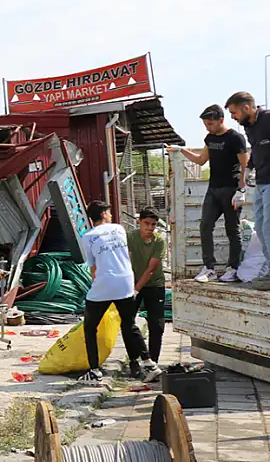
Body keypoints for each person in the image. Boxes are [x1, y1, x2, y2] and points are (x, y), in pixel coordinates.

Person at [168, 104, 248, 282]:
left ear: (221, 120)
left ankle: (233, 268)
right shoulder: (209, 138)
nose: (208, 127)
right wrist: (181, 149)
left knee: (232, 230)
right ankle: (209, 268)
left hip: (231, 189)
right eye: (205, 124)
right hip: (213, 189)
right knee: (205, 226)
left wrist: (242, 190)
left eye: (210, 124)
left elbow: (245, 165)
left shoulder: (236, 138)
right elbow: (201, 160)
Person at [81, 201, 158, 383]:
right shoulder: (119, 229)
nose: (111, 215)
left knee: (90, 327)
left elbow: (93, 268)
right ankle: (149, 364)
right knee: (130, 324)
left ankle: (94, 370)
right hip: (125, 281)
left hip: (105, 283)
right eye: (109, 212)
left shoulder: (88, 237)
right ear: (104, 215)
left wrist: (97, 286)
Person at [226, 91, 270, 284]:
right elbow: (256, 150)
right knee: (260, 228)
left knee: (269, 227)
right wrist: (249, 169)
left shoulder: (268, 119)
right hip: (260, 182)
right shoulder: (250, 127)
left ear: (246, 108)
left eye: (234, 113)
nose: (233, 118)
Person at [128, 207, 166, 381]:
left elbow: (151, 270)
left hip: (154, 284)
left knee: (157, 325)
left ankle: (153, 363)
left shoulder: (159, 241)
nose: (150, 228)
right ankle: (134, 361)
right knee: (127, 323)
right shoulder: (131, 237)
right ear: (139, 222)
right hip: (133, 282)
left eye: (153, 224)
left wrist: (136, 290)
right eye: (146, 223)